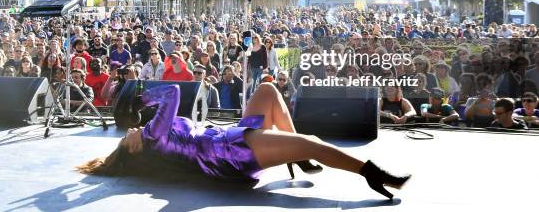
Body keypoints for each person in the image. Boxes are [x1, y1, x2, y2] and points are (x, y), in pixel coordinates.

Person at [77, 82, 411, 200]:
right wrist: (142, 98)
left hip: (227, 139)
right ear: (134, 149)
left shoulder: (150, 137)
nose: (129, 133)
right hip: (230, 152)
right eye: (126, 139)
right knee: (312, 141)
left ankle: (295, 154)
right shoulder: (152, 136)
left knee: (267, 90)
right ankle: (375, 175)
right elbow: (173, 92)